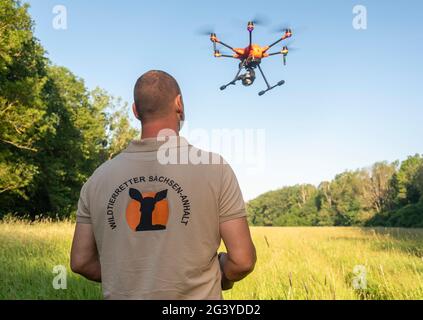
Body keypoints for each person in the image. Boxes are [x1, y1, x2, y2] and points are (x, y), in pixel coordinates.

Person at [70, 70, 256, 299]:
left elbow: (81, 261)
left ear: (135, 111)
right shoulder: (216, 170)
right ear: (179, 103)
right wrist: (217, 275)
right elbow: (242, 261)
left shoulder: (97, 179)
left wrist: (127, 279)